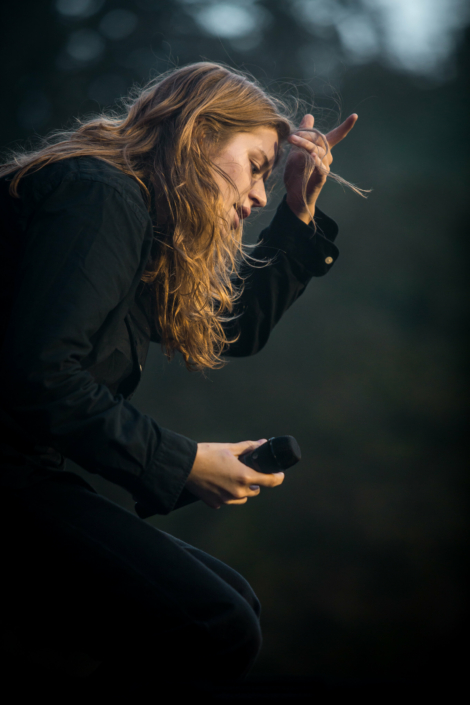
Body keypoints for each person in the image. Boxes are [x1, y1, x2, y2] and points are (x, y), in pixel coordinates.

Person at [0, 62, 358, 691]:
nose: (257, 198)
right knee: (213, 622)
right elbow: (39, 375)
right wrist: (183, 461)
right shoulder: (102, 193)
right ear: (197, 132)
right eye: (255, 167)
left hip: (26, 472)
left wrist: (298, 213)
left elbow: (233, 327)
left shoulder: (141, 226)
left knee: (232, 605)